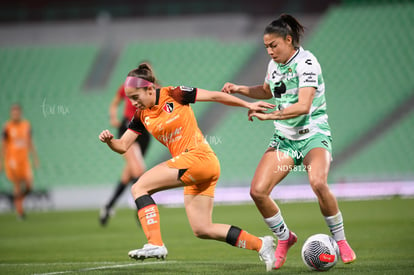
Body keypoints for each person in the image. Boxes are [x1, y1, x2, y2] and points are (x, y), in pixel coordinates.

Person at [99, 63, 277, 271]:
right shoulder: (141, 115)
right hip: (199, 167)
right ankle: (262, 244)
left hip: (198, 158)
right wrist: (110, 141)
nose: (132, 103)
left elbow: (213, 96)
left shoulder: (175, 93)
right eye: (129, 98)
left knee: (139, 187)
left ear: (149, 89)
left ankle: (155, 244)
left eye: (135, 97)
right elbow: (123, 145)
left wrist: (248, 105)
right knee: (203, 228)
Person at [222, 14, 356, 269]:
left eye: (274, 46)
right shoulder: (275, 65)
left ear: (289, 40)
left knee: (318, 182)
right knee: (258, 192)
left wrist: (269, 114)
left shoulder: (307, 63)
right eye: (266, 47)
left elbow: (304, 106)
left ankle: (340, 240)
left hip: (313, 134)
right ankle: (285, 238)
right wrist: (240, 89)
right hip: (285, 138)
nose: (270, 51)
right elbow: (268, 90)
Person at [99, 75, 153, 226]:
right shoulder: (127, 87)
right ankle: (141, 210)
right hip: (129, 129)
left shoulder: (151, 87)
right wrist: (113, 117)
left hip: (144, 132)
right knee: (138, 170)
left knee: (128, 174)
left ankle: (108, 206)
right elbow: (115, 103)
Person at [0, 104, 39, 220]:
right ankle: (20, 212)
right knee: (17, 185)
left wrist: (35, 158)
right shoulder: (7, 127)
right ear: (11, 114)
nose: (15, 114)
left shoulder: (26, 125)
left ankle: (17, 200)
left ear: (20, 113)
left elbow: (30, 142)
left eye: (17, 112)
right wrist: (1, 162)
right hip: (12, 161)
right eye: (13, 112)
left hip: (25, 161)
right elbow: (3, 145)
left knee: (29, 185)